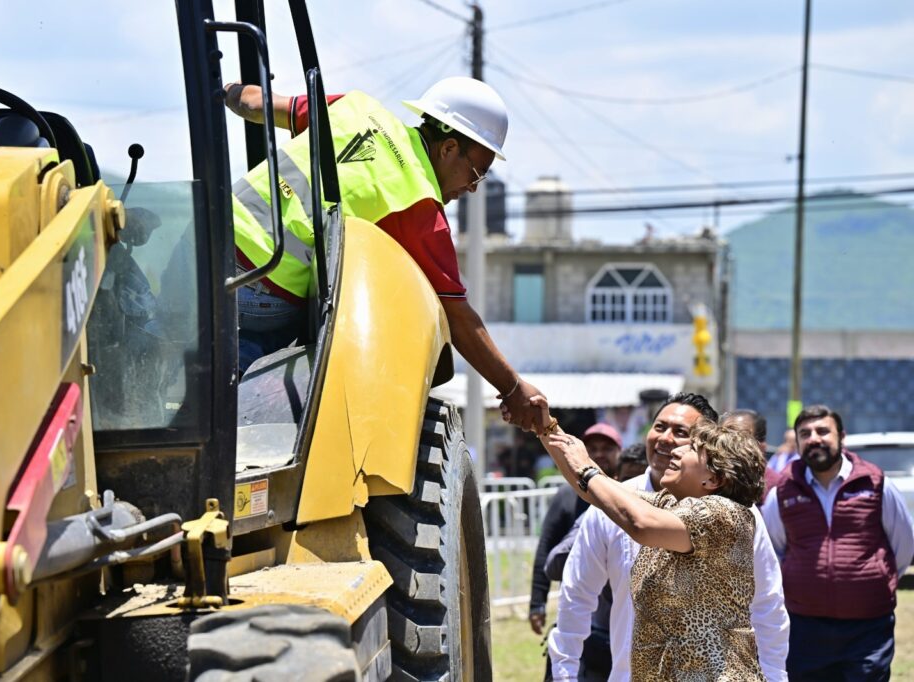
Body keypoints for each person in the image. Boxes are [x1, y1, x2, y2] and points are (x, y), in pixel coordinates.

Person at [223, 77, 549, 433]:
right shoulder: (420, 204)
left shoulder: (355, 108)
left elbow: (256, 105)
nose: (472, 187)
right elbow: (457, 316)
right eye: (477, 173)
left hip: (210, 240)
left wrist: (226, 88)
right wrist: (513, 388)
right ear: (448, 148)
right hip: (260, 291)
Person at [545, 393, 789, 681]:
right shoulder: (669, 505)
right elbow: (596, 491)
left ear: (712, 479)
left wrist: (586, 467)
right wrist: (547, 429)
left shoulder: (725, 516)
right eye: (660, 426)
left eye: (690, 445)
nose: (673, 449)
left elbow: (640, 524)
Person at [761, 404, 914, 681]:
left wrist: (876, 578)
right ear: (797, 441)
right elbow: (775, 550)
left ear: (841, 437)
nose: (814, 438)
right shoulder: (783, 490)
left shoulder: (875, 483)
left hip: (867, 628)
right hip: (805, 628)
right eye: (805, 433)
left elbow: (903, 545)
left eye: (822, 431)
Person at [528, 424, 622, 681]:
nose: (600, 454)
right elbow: (546, 548)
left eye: (607, 448)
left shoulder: (629, 497)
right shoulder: (565, 497)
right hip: (581, 612)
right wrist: (537, 603)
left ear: (619, 452)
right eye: (593, 449)